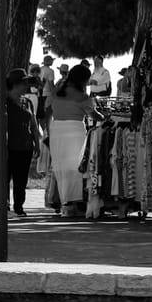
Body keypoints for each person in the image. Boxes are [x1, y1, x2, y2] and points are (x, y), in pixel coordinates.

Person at [48, 64, 96, 216]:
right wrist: (105, 116)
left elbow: (48, 110)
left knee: (60, 166)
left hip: (56, 130)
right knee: (77, 166)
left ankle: (63, 200)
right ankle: (74, 202)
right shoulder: (82, 96)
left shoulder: (57, 91)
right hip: (74, 130)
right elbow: (93, 115)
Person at [4, 73, 41, 216]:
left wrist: (37, 143)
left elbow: (33, 124)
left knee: (21, 179)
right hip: (8, 147)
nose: (26, 86)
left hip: (25, 147)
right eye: (24, 83)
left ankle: (19, 206)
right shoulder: (4, 102)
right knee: (5, 178)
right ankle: (4, 206)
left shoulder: (27, 102)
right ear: (15, 84)